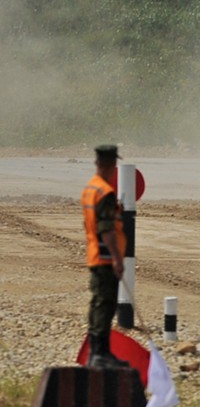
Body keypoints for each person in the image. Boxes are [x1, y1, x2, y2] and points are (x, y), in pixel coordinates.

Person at [81, 144, 130, 370]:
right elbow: (107, 230)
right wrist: (118, 259)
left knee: (97, 303)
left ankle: (97, 353)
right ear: (111, 165)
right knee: (105, 305)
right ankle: (100, 354)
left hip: (94, 254)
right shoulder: (106, 193)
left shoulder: (91, 188)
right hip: (105, 258)